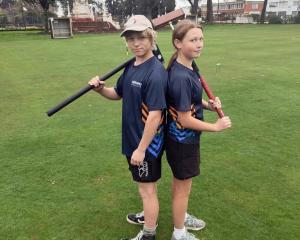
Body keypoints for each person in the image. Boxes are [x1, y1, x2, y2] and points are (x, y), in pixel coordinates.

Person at [88, 15, 167, 240]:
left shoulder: (155, 72)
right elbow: (117, 93)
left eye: (141, 37)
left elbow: (155, 115)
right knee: (144, 186)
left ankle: (149, 234)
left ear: (152, 38)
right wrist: (100, 89)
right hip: (133, 140)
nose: (136, 43)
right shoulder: (132, 67)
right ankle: (148, 216)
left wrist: (141, 149)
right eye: (131, 38)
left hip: (146, 144)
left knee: (147, 189)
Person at [166, 20, 232, 240]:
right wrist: (215, 126)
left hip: (181, 140)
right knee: (183, 188)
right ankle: (179, 232)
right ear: (178, 43)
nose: (199, 44)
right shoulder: (181, 76)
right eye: (193, 40)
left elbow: (189, 102)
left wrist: (207, 105)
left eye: (201, 39)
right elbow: (184, 119)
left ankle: (181, 216)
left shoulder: (188, 66)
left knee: (180, 184)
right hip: (182, 140)